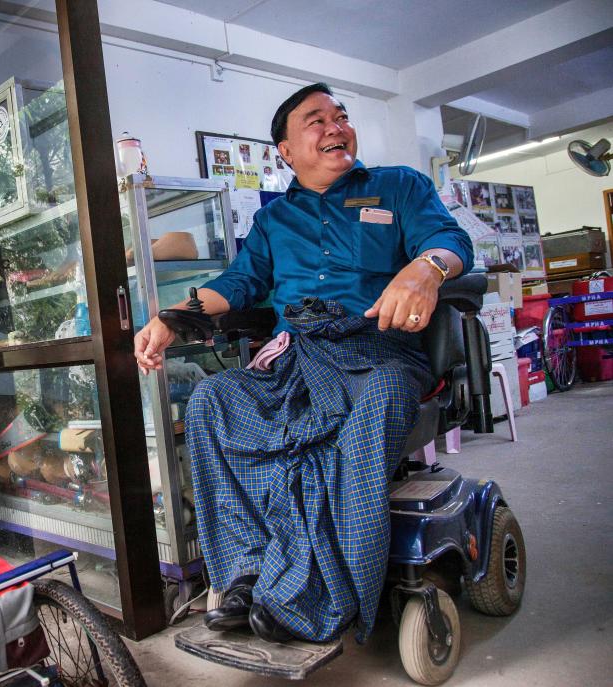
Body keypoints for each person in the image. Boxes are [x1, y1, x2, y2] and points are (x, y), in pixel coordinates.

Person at [134, 83, 473, 644]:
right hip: (299, 356)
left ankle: (317, 592)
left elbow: (448, 238)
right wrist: (175, 317)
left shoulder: (399, 186)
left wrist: (427, 270)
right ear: (285, 152)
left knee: (378, 397)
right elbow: (240, 283)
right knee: (214, 401)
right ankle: (245, 574)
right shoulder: (273, 222)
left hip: (379, 351)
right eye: (316, 121)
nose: (336, 127)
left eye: (340, 116)